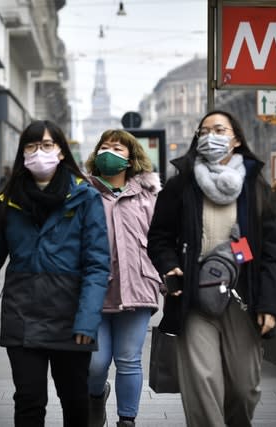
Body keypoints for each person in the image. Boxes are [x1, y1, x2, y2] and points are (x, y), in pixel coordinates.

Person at [0, 120, 110, 427]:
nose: (39, 153)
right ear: (23, 154)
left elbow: (97, 265)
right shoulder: (9, 201)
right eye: (32, 147)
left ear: (61, 152)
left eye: (47, 145)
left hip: (72, 318)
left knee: (75, 401)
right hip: (22, 316)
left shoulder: (85, 198)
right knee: (29, 401)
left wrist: (88, 319)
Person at [147, 110, 276, 427]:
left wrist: (269, 304)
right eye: (204, 130)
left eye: (219, 129)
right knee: (202, 385)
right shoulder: (181, 185)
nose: (210, 136)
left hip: (243, 299)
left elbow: (273, 252)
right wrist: (170, 266)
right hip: (194, 299)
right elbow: (159, 238)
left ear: (236, 138)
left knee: (244, 388)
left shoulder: (257, 188)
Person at [84, 129, 162, 427]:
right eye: (104, 147)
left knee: (129, 359)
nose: (109, 152)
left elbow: (162, 239)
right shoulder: (83, 192)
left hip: (138, 286)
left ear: (131, 158)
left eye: (117, 148)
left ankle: (126, 420)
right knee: (96, 363)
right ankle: (95, 397)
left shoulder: (149, 195)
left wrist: (168, 279)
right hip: (93, 291)